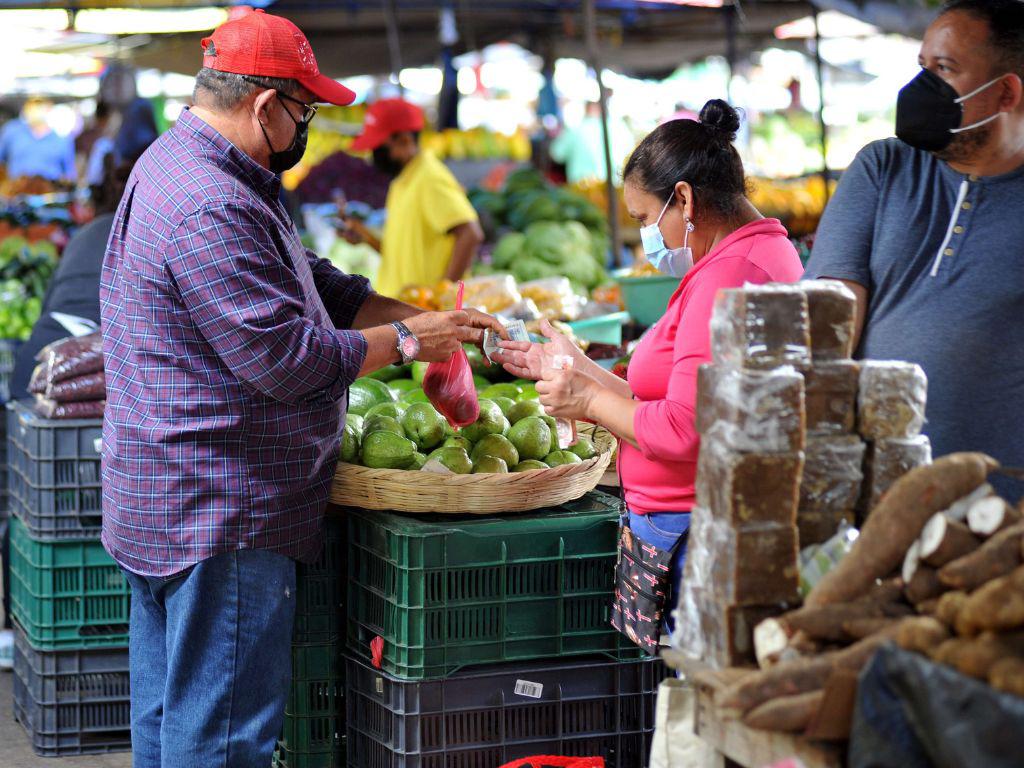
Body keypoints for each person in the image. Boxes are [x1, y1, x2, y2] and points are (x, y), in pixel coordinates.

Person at [100, 10, 504, 767]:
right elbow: (287, 359)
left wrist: (420, 317)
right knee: (217, 738)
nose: (308, 126)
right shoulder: (211, 202)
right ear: (264, 105)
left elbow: (311, 282)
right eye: (306, 109)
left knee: (170, 722)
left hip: (171, 499)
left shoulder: (198, 168)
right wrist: (411, 342)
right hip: (219, 513)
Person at [493, 100, 804, 644]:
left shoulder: (730, 276)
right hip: (692, 520)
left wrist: (586, 401)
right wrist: (580, 369)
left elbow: (682, 429)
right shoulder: (746, 256)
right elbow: (661, 399)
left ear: (683, 198)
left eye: (643, 219)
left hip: (693, 529)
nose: (645, 237)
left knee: (691, 696)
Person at [804, 0, 1024, 501]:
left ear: (1006, 92)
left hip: (1002, 514)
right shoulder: (881, 168)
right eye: (923, 66)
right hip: (873, 499)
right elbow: (830, 314)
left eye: (944, 69)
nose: (923, 88)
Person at [0, 140, 155, 671]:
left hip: (38, 367)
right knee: (78, 511)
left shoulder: (93, 230)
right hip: (84, 378)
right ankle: (84, 614)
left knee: (33, 504)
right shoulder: (152, 228)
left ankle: (16, 621)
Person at [348, 98, 483, 297]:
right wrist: (367, 238)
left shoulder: (429, 177)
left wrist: (441, 299)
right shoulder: (402, 180)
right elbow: (404, 252)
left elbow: (470, 234)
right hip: (404, 309)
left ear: (405, 140)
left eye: (379, 149)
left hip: (424, 314)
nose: (373, 156)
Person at [549, 99, 634, 184]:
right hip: (615, 187)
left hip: (582, 188)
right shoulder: (621, 128)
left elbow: (557, 155)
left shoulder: (576, 129)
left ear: (588, 107)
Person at [0, 97, 75, 182]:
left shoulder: (61, 139)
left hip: (49, 191)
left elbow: (69, 173)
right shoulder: (12, 131)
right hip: (17, 190)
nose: (37, 111)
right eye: (34, 106)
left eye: (40, 106)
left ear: (49, 109)